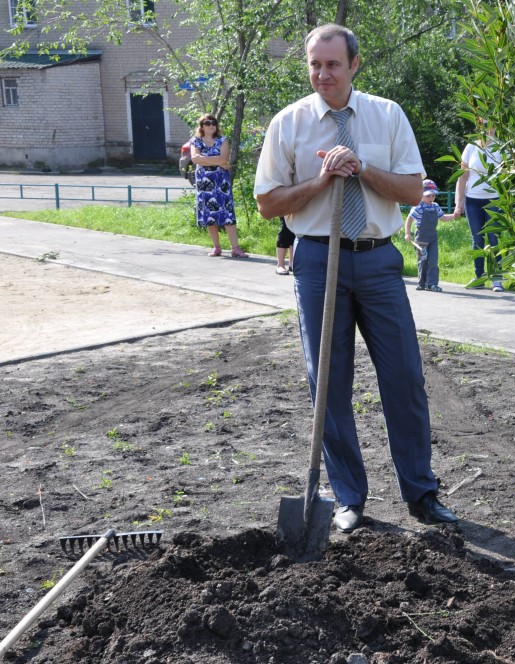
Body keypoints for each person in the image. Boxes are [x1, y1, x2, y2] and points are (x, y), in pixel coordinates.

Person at [253, 23, 458, 534]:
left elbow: (414, 191)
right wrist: (322, 181)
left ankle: (421, 493)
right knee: (328, 382)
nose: (323, 74)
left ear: (354, 65)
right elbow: (266, 203)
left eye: (333, 64)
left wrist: (361, 168)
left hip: (377, 260)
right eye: (314, 64)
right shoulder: (289, 123)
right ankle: (349, 497)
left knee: (404, 376)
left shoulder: (386, 115)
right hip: (318, 260)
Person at [454, 125, 504, 292]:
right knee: (477, 240)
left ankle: (497, 279)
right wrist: (458, 202)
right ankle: (479, 277)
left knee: (494, 238)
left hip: (494, 199)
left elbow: (514, 169)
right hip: (472, 199)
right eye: (483, 125)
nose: (488, 129)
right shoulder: (471, 147)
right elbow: (462, 177)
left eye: (491, 125)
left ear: (496, 127)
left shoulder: (502, 147)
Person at [190, 114, 245, 258]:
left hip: (222, 184)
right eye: (207, 123)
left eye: (213, 123)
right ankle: (216, 247)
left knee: (228, 215)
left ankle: (235, 248)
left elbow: (224, 159)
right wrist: (216, 161)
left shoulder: (222, 140)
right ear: (202, 126)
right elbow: (195, 159)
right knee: (210, 217)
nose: (211, 125)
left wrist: (204, 159)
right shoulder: (196, 141)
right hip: (204, 186)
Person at [404, 179, 457, 292]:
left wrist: (453, 215)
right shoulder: (418, 207)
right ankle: (421, 283)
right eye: (428, 196)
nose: (431, 198)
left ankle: (432, 283)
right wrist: (407, 233)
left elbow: (443, 218)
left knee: (433, 260)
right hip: (421, 237)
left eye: (433, 196)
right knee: (422, 260)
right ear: (421, 195)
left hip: (433, 237)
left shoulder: (435, 206)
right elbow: (409, 219)